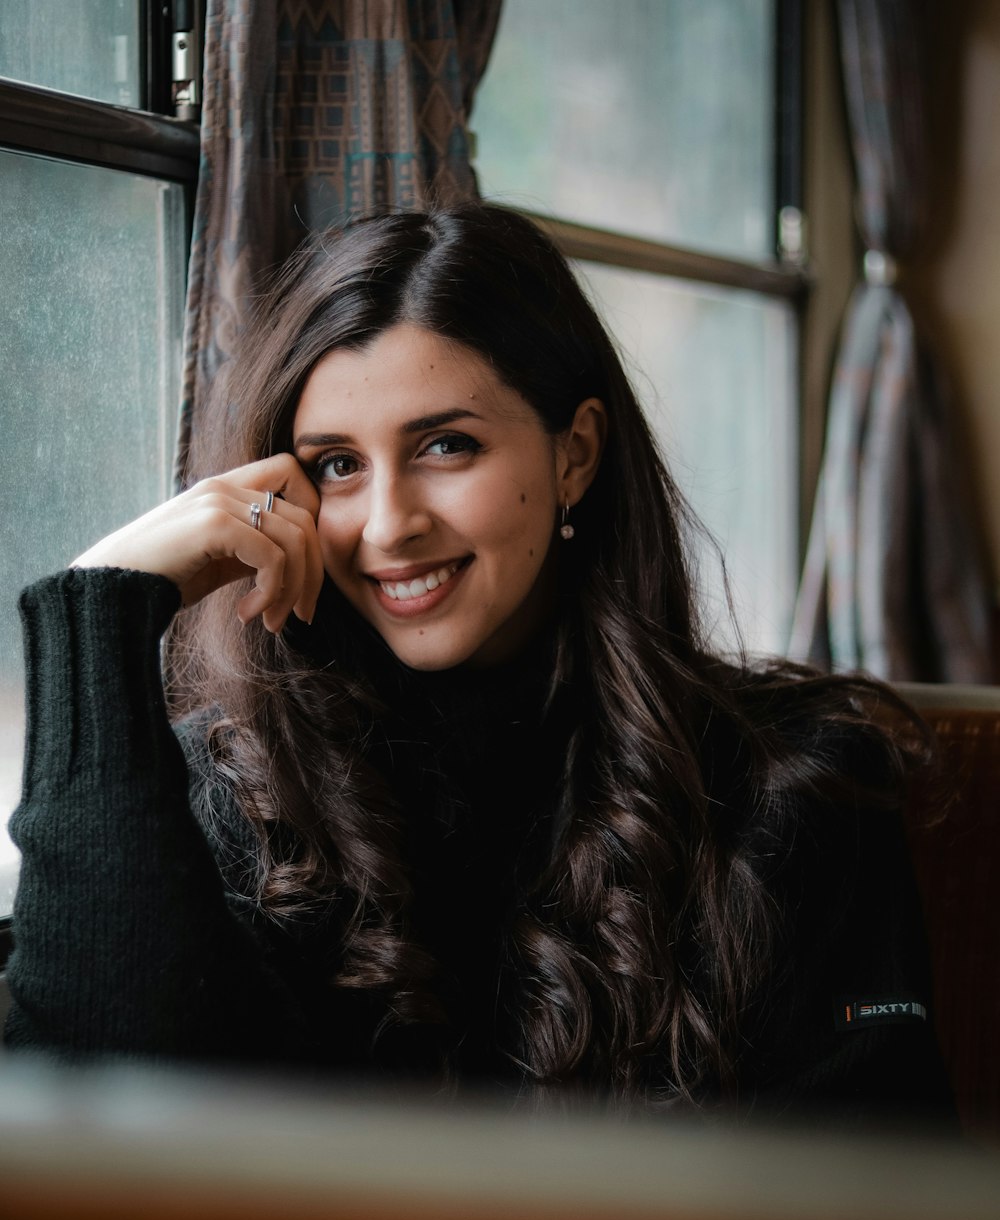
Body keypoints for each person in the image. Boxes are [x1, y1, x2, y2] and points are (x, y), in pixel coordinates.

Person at [5, 203, 952, 1127]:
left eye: (445, 446)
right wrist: (100, 610)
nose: (389, 525)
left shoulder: (791, 780)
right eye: (336, 466)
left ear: (575, 454)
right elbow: (96, 1124)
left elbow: (874, 1191)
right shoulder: (234, 787)